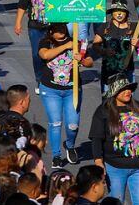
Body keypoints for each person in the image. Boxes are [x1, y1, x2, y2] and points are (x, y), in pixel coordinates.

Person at [89, 76, 139, 205]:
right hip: (115, 168)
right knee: (117, 202)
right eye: (123, 89)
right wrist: (98, 161)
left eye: (129, 88)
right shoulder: (103, 111)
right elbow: (96, 138)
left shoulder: (137, 107)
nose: (128, 91)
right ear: (114, 92)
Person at [38, 24, 92, 169]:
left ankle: (70, 145)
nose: (60, 31)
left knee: (73, 124)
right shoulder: (46, 42)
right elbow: (45, 55)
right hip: (51, 90)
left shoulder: (78, 42)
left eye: (62, 28)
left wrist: (81, 58)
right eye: (57, 29)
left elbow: (89, 61)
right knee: (55, 123)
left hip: (72, 90)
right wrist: (66, 46)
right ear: (51, 32)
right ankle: (56, 156)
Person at [15, 0, 53, 82]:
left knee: (52, 54)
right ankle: (39, 79)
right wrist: (18, 23)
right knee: (37, 55)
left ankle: (51, 77)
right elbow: (22, 5)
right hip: (35, 26)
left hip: (53, 26)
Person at [90, 0, 136, 92]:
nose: (119, 14)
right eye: (116, 11)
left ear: (126, 13)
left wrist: (138, 43)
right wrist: (104, 51)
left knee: (126, 101)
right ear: (112, 13)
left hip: (127, 71)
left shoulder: (133, 28)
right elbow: (95, 45)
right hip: (108, 72)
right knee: (108, 101)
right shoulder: (105, 27)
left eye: (122, 11)